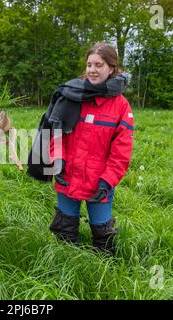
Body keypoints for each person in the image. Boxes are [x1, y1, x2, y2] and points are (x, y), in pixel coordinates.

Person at [48, 42, 134, 255]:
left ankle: (103, 276)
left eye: (99, 65)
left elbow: (121, 152)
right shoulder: (71, 95)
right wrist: (57, 163)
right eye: (89, 65)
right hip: (68, 176)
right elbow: (55, 134)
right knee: (64, 230)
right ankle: (65, 268)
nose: (93, 70)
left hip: (99, 183)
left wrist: (107, 182)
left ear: (111, 68)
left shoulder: (121, 106)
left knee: (103, 236)